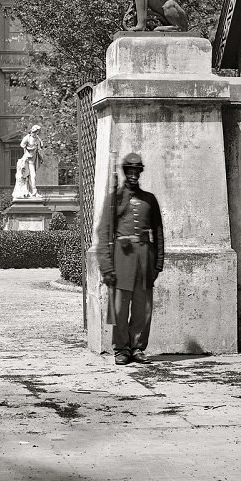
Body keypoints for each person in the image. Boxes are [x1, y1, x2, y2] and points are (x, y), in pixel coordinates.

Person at [97, 153, 164, 366]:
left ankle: (137, 347)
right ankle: (121, 349)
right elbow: (104, 232)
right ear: (125, 173)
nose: (133, 175)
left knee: (142, 308)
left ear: (140, 173)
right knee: (119, 308)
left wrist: (158, 262)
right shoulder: (115, 199)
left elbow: (158, 232)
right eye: (130, 171)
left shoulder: (149, 199)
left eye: (136, 171)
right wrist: (107, 267)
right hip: (122, 258)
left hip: (144, 258)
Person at [12, 124, 42, 199]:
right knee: (31, 176)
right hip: (27, 160)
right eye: (36, 132)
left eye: (38, 132)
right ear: (33, 131)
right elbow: (22, 145)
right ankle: (33, 192)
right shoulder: (27, 138)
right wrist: (29, 148)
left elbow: (41, 146)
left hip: (34, 160)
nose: (36, 133)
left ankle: (34, 192)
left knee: (33, 176)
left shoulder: (37, 138)